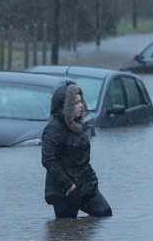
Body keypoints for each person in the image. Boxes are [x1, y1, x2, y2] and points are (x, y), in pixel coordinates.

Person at [41, 83, 112, 218]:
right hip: (65, 191)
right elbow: (48, 160)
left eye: (81, 102)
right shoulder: (53, 130)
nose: (81, 106)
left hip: (85, 187)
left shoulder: (77, 126)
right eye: (76, 103)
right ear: (66, 106)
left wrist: (91, 179)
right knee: (66, 229)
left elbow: (82, 158)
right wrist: (68, 184)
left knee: (104, 214)